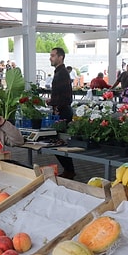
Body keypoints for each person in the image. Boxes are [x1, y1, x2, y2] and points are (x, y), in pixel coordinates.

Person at [48, 47, 76, 179]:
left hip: (63, 112)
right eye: (51, 55)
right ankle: (68, 170)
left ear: (61, 57)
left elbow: (66, 97)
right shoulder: (59, 72)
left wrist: (54, 103)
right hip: (61, 110)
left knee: (60, 143)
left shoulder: (63, 73)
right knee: (58, 143)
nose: (50, 58)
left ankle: (69, 171)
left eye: (53, 55)